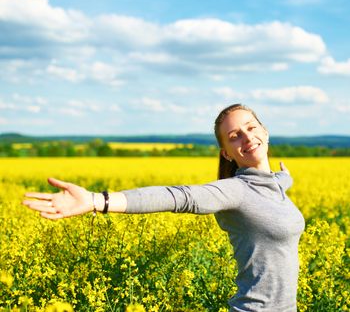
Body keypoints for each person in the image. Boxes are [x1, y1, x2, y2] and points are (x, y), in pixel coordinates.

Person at [23, 103, 305, 312]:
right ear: (226, 154)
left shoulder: (276, 184)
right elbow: (177, 197)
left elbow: (277, 183)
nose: (246, 136)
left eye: (251, 127)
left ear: (266, 133)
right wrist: (98, 200)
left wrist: (284, 177)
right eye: (234, 136)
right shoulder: (235, 191)